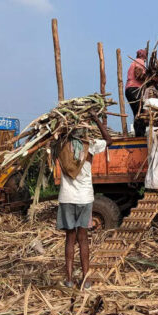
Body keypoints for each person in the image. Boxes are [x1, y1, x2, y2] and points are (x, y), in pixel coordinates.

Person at [56, 110, 112, 289]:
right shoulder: (90, 145)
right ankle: (86, 279)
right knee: (83, 238)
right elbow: (109, 140)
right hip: (85, 198)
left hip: (67, 198)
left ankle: (70, 279)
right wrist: (97, 119)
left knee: (70, 239)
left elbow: (52, 136)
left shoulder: (62, 146)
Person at [125, 49, 147, 137]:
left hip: (129, 89)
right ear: (143, 56)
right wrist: (148, 77)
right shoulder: (139, 61)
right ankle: (140, 134)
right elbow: (138, 75)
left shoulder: (134, 62)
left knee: (137, 112)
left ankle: (139, 133)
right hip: (134, 89)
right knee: (140, 112)